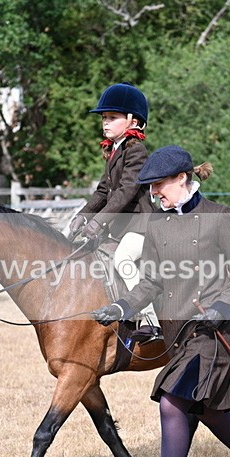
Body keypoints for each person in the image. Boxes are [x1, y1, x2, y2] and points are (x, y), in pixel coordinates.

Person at [90, 145, 230, 457]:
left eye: (159, 185)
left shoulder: (218, 217)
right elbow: (151, 280)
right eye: (150, 187)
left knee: (171, 400)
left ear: (182, 178)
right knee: (209, 411)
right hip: (176, 333)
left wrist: (223, 306)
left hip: (213, 332)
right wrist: (121, 306)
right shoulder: (157, 224)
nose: (154, 193)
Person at [68, 82, 160, 344]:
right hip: (121, 227)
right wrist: (83, 215)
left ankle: (151, 321)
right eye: (104, 118)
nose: (105, 123)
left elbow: (125, 191)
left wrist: (98, 222)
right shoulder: (114, 150)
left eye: (112, 117)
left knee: (122, 259)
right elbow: (103, 190)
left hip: (141, 226)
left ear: (133, 121)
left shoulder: (136, 150)